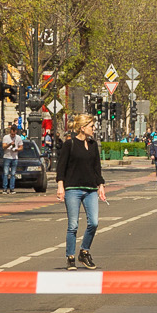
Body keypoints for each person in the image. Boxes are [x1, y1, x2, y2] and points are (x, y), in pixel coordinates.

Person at [57, 113, 106, 268]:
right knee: (73, 225)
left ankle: (84, 252)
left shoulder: (93, 145)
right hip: (72, 189)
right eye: (91, 126)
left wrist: (101, 186)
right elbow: (61, 167)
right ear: (83, 128)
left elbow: (97, 168)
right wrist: (60, 186)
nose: (94, 129)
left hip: (90, 189)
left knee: (94, 222)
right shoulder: (69, 145)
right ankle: (70, 256)